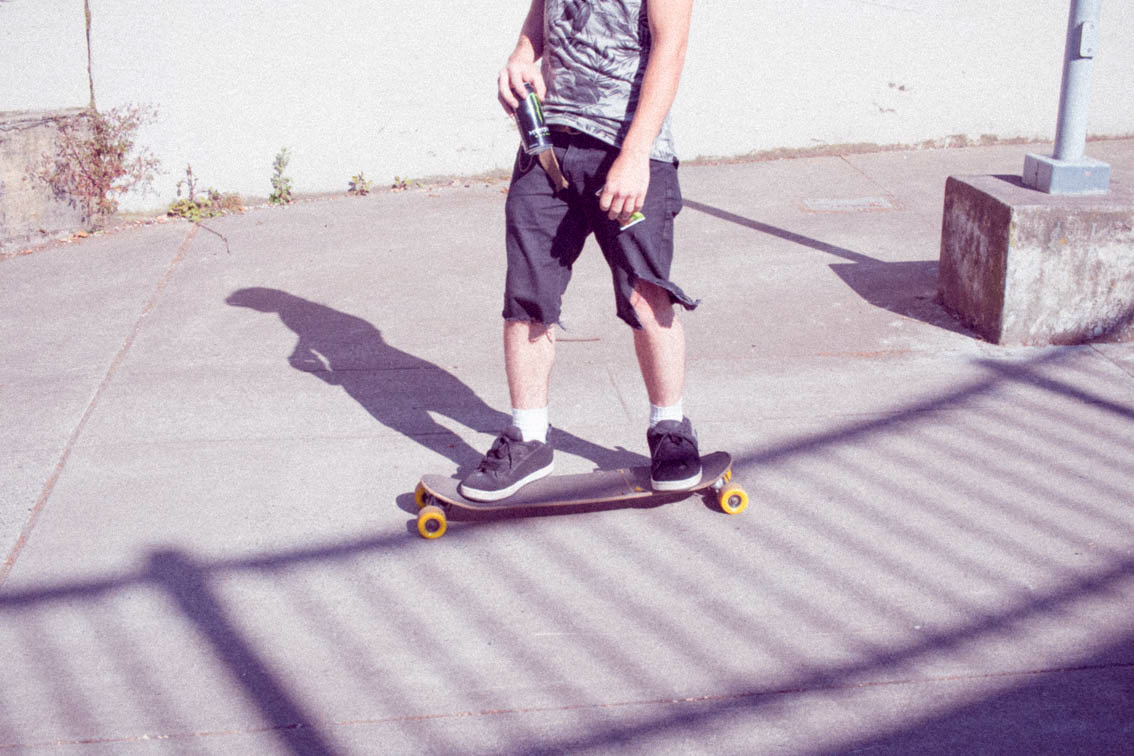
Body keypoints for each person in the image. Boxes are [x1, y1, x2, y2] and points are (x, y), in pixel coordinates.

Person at [459, 0, 700, 502]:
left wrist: (635, 155)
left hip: (627, 148)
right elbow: (541, 13)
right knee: (527, 293)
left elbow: (671, 47)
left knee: (645, 293)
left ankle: (670, 427)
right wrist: (521, 56)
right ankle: (528, 438)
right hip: (547, 143)